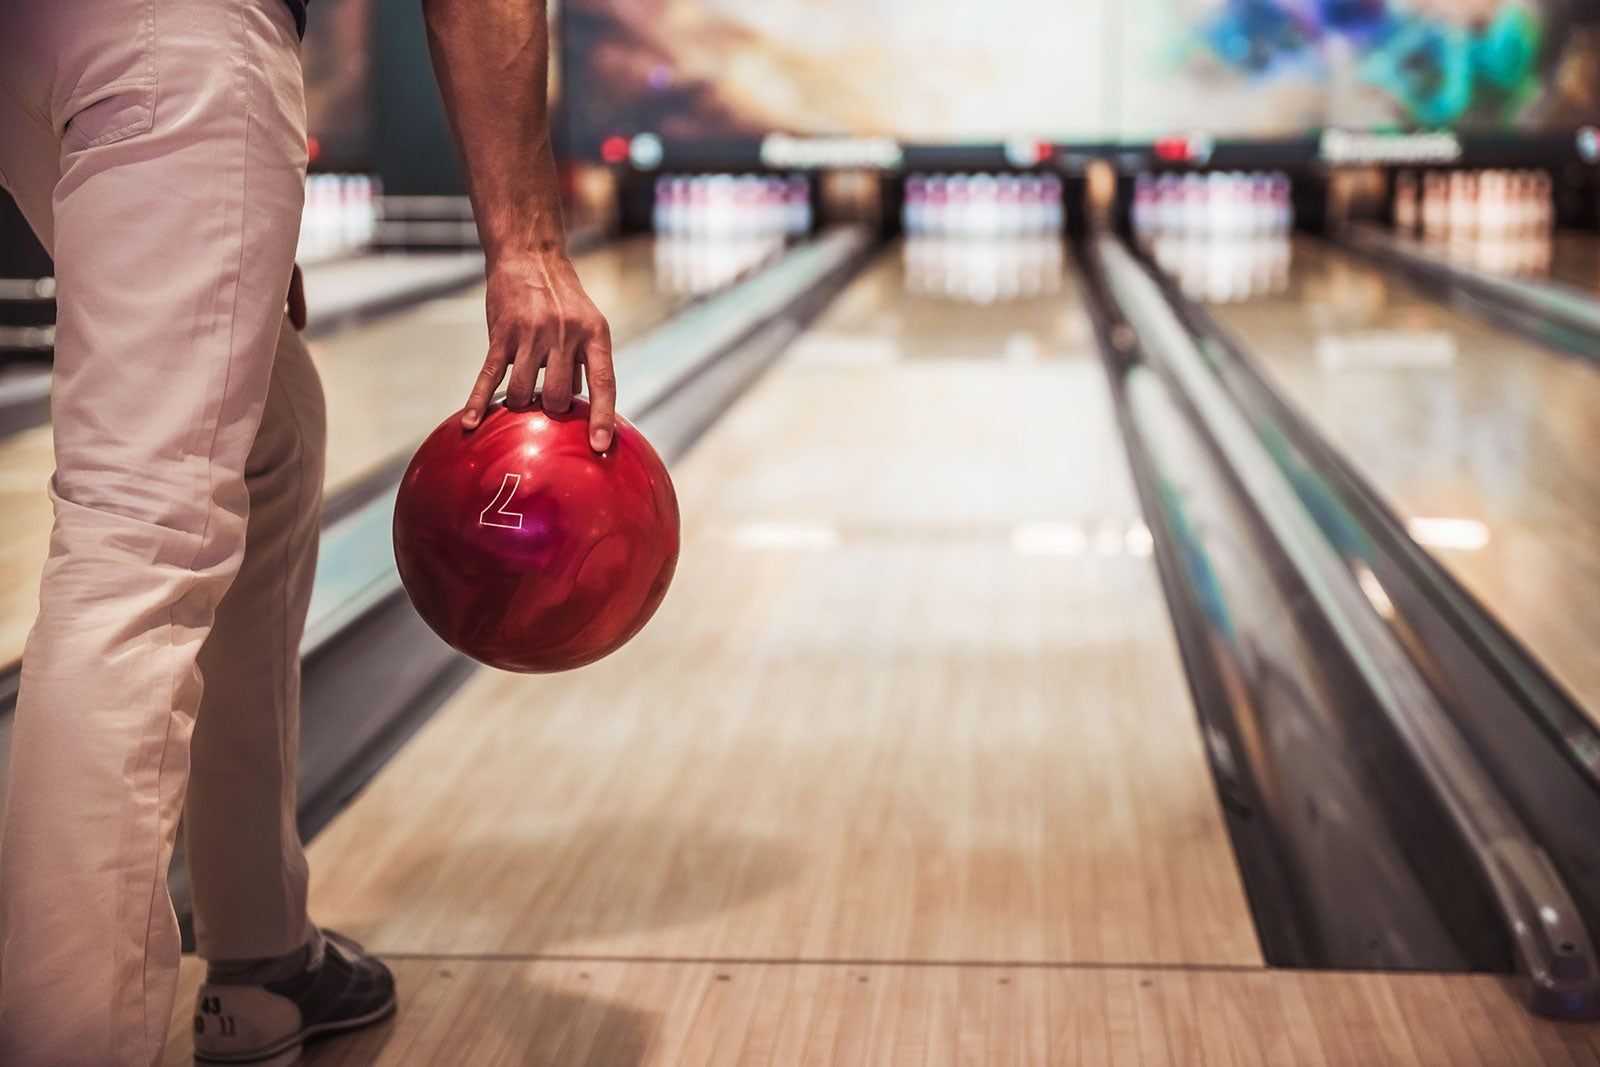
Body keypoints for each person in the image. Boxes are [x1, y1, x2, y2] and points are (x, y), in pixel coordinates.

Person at [0, 0, 613, 1063]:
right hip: (164, 36)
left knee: (268, 431)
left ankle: (261, 946)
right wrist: (527, 246)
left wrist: (215, 231)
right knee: (132, 558)